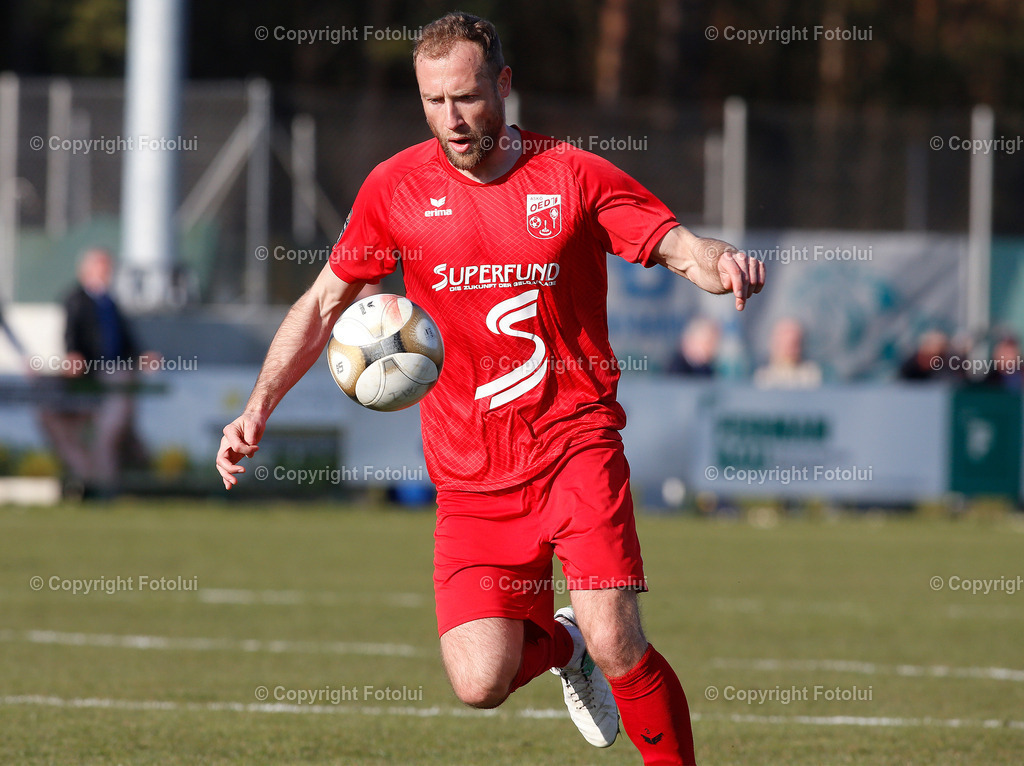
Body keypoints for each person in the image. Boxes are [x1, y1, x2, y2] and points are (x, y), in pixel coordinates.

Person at [216, 13, 764, 765]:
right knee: (480, 682)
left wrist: (720, 261)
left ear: (503, 84)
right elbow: (321, 305)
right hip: (469, 473)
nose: (452, 119)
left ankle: (605, 663)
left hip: (574, 442)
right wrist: (256, 407)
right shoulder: (394, 188)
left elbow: (677, 246)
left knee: (616, 636)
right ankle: (565, 646)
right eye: (434, 101)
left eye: (467, 97)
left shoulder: (571, 173)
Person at [38, 248, 151, 494]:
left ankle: (105, 481)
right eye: (102, 267)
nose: (107, 272)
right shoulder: (75, 298)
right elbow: (71, 333)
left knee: (110, 431)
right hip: (86, 375)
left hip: (112, 374)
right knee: (81, 430)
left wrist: (141, 356)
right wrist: (73, 355)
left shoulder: (110, 302)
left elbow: (125, 339)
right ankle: (95, 481)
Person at [753, 317, 822, 389]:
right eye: (784, 344)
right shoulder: (763, 377)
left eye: (795, 344)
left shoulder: (811, 375)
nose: (790, 351)